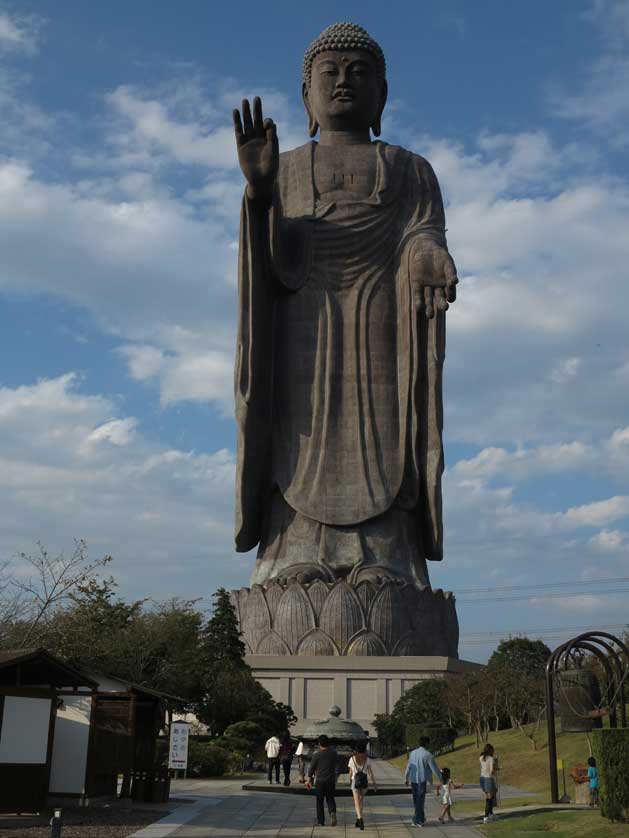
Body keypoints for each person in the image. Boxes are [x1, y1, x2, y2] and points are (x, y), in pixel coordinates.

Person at [232, 21, 459, 593]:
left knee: (387, 427)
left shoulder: (410, 169)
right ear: (306, 92)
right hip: (302, 322)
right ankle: (291, 554)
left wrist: (428, 250)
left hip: (384, 321)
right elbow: (272, 259)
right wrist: (259, 195)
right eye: (328, 72)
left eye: (360, 73)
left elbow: (421, 229)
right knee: (297, 433)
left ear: (382, 93)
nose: (343, 83)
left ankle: (390, 557)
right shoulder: (283, 168)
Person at [404, 736, 442, 828]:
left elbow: (408, 766)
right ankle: (416, 820)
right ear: (426, 743)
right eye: (429, 743)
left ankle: (421, 818)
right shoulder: (428, 755)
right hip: (422, 780)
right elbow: (435, 769)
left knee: (417, 801)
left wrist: (406, 778)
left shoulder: (413, 753)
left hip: (413, 780)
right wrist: (441, 778)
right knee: (419, 801)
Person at [306, 735, 338, 826]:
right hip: (330, 780)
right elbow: (336, 765)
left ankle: (321, 821)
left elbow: (311, 768)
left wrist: (308, 780)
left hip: (320, 781)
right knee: (330, 799)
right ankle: (332, 812)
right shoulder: (334, 753)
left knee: (319, 801)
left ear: (319, 744)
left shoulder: (317, 754)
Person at [348, 741, 376, 830]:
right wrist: (374, 783)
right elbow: (370, 773)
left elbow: (350, 773)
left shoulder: (352, 759)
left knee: (356, 802)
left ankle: (360, 819)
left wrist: (350, 780)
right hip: (364, 783)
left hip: (355, 782)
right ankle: (358, 820)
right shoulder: (367, 759)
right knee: (361, 801)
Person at [480, 743, 497, 823]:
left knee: (489, 797)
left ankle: (490, 813)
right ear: (490, 750)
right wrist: (496, 768)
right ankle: (486, 816)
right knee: (489, 799)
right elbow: (491, 771)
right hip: (488, 779)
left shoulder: (481, 758)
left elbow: (484, 767)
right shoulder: (491, 758)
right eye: (492, 750)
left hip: (482, 779)